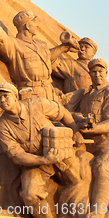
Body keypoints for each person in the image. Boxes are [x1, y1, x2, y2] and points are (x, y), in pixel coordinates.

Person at [0, 82, 88, 218]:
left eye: (5, 95)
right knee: (30, 195)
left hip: (60, 152)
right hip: (36, 163)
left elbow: (61, 112)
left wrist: (75, 131)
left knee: (81, 177)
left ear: (15, 96)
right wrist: (43, 160)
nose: (2, 100)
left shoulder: (36, 104)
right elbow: (17, 156)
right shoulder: (2, 127)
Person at [0, 9, 79, 101]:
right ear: (28, 26)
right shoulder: (14, 44)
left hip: (49, 92)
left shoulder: (41, 44)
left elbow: (47, 58)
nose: (37, 25)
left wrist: (64, 47)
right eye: (34, 22)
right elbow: (0, 38)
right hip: (30, 94)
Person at [74, 58, 109, 218]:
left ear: (106, 73)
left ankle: (99, 211)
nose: (97, 75)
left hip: (105, 142)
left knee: (102, 167)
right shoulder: (85, 94)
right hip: (87, 142)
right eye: (94, 72)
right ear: (89, 74)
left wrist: (95, 127)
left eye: (100, 71)